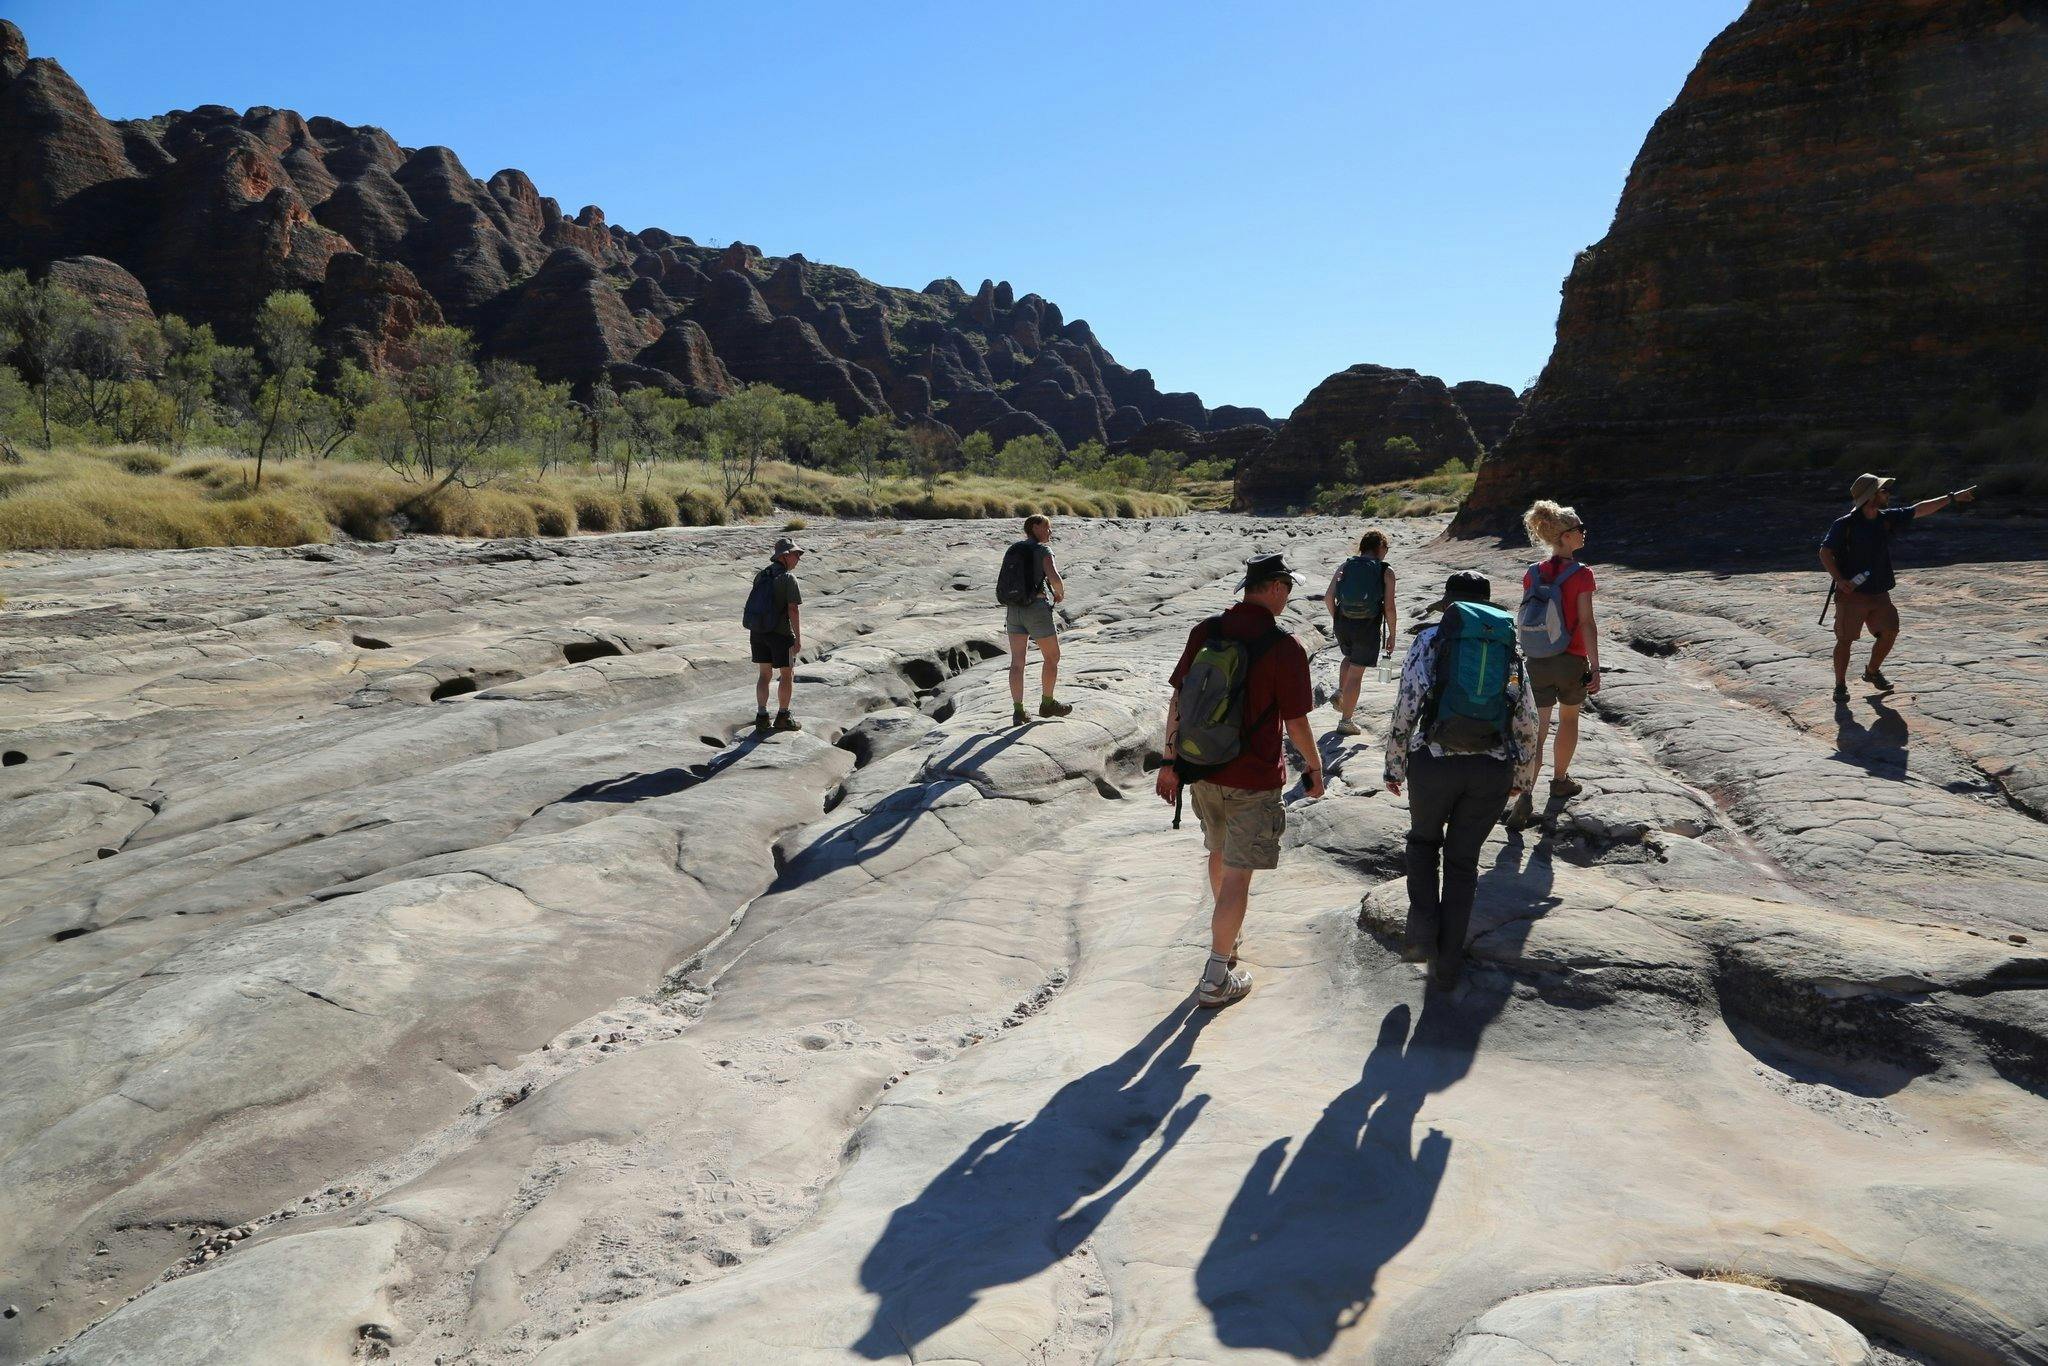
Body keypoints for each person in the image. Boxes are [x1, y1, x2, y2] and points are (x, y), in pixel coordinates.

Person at [1157, 553, 1324, 1008]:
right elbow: (1296, 721)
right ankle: (1215, 977)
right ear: (1273, 588)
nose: (1288, 596)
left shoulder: (1206, 631)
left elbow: (1178, 698)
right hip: (1253, 777)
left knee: (1218, 852)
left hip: (1203, 770)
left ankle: (1227, 943)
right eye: (1287, 587)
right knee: (1238, 877)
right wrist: (1315, 766)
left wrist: (1170, 760)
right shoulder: (1284, 646)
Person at [1383, 571, 1538, 990]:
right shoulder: (1507, 645)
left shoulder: (1430, 639)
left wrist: (1394, 765)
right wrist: (1522, 776)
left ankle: (1420, 935)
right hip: (1490, 768)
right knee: (1463, 861)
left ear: (1449, 604)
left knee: (1422, 843)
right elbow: (1526, 715)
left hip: (1434, 763)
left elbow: (1407, 704)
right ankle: (1448, 963)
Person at [1819, 474, 1976, 702]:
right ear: (1871, 496)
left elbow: (1919, 509)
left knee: (1890, 632)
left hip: (1880, 592)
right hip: (1851, 596)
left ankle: (1872, 672)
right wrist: (1840, 579)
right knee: (1845, 640)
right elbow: (1825, 552)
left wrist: (1951, 498)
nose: (1888, 494)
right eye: (1883, 491)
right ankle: (1840, 685)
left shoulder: (1886, 518)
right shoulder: (1845, 525)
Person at [1506, 500, 1599, 828]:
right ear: (1565, 536)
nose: (1584, 534)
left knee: (1539, 731)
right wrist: (1596, 666)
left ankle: (1527, 792)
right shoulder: (1583, 574)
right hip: (1570, 660)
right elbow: (1586, 622)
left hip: (1537, 660)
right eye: (1579, 530)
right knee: (1569, 719)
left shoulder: (1532, 573)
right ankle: (1560, 780)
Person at [1323, 530, 1398, 738]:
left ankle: (1340, 692)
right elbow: (1389, 608)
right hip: (1367, 626)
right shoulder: (1386, 571)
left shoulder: (1346, 565)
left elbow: (1328, 597)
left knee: (1349, 658)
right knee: (1357, 672)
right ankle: (1346, 721)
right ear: (1380, 547)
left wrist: (1337, 618)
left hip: (1343, 623)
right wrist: (1392, 634)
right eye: (1386, 548)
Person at [1000, 514, 1072, 726]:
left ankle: (1018, 711)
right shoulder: (1043, 550)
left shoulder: (1013, 549)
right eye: (1047, 527)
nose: (1050, 532)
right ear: (1035, 527)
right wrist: (1059, 593)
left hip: (1014, 609)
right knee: (1052, 656)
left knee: (1017, 662)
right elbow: (1054, 578)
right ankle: (1047, 703)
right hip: (1036, 608)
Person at [748, 536, 805, 733]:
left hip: (758, 632)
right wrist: (797, 638)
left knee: (764, 674)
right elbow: (793, 610)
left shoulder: (761, 575)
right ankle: (783, 716)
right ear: (786, 556)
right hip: (780, 634)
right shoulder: (789, 579)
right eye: (796, 554)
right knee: (786, 673)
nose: (798, 558)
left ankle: (762, 716)